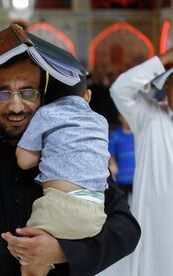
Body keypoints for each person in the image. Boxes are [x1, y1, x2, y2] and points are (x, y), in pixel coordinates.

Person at [0, 45, 140, 275]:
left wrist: (61, 251)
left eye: (28, 92)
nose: (16, 106)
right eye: (2, 94)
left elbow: (126, 230)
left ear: (44, 95)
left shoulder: (70, 148)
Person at [15, 74, 110, 275]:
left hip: (59, 207)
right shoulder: (100, 120)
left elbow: (24, 161)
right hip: (97, 213)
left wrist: (45, 148)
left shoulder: (46, 113)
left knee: (31, 257)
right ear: (88, 95)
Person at [110, 46, 173, 276]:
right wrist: (164, 60)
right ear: (167, 87)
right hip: (156, 228)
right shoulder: (150, 117)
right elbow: (120, 90)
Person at [108, 114, 135, 201]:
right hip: (122, 177)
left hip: (138, 177)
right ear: (120, 117)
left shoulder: (138, 135)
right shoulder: (115, 136)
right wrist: (113, 164)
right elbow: (110, 153)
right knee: (123, 204)